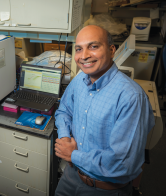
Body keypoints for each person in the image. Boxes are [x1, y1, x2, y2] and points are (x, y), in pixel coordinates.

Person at [54, 25, 155, 196]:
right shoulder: (79, 81)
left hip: (104, 189)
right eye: (79, 49)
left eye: (93, 46)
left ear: (111, 50)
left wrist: (73, 155)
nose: (84, 55)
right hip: (71, 177)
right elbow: (64, 110)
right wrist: (65, 138)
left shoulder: (131, 97)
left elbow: (122, 164)